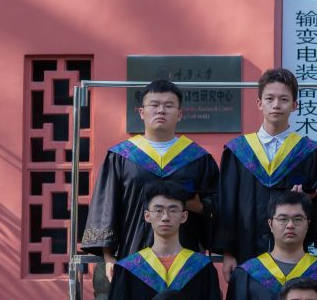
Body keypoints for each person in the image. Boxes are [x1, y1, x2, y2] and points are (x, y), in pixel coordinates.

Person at [81, 79, 218, 257]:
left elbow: (217, 206)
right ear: (142, 112)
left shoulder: (197, 158)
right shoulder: (122, 156)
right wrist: (108, 257)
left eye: (169, 106)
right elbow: (106, 207)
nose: (161, 110)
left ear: (179, 114)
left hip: (185, 259)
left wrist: (197, 206)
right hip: (133, 256)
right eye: (154, 105)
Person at [214, 68, 317, 269]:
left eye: (284, 99)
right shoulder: (238, 152)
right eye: (269, 99)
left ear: (295, 105)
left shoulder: (310, 152)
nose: (276, 105)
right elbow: (227, 203)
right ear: (259, 103)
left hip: (294, 254)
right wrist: (227, 253)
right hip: (245, 252)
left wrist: (306, 201)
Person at [100, 188, 220, 300]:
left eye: (173, 210)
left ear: (184, 216)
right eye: (158, 210)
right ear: (147, 216)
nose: (165, 217)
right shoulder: (129, 269)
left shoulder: (201, 268)